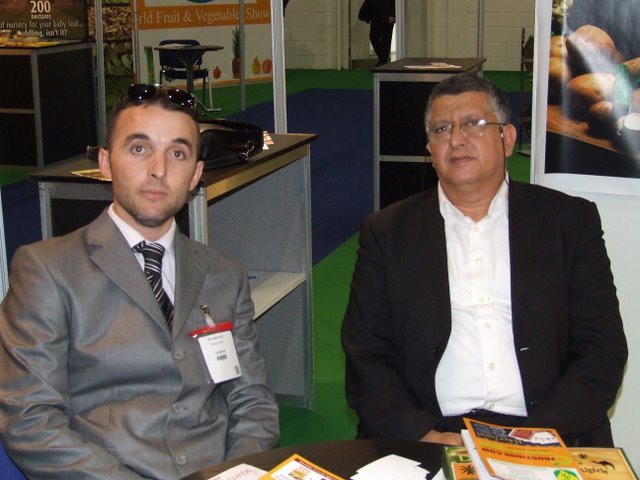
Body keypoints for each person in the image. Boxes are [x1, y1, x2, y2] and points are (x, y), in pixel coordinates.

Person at [0, 84, 279, 479]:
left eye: (178, 154)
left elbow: (253, 402)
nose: (158, 170)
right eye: (138, 148)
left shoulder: (224, 274)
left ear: (196, 175)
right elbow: (31, 421)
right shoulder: (47, 269)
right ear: (105, 163)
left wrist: (234, 473)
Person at [341, 74, 627, 447]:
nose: (456, 139)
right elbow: (365, 354)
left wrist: (533, 437)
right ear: (429, 149)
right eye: (441, 129)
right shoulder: (387, 232)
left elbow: (602, 348)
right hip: (433, 431)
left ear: (507, 139)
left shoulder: (569, 221)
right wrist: (425, 435)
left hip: (548, 428)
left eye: (473, 124)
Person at [367, 0, 395, 66]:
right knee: (373, 37)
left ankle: (382, 61)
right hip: (376, 15)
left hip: (388, 15)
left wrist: (393, 14)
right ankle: (383, 60)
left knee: (386, 39)